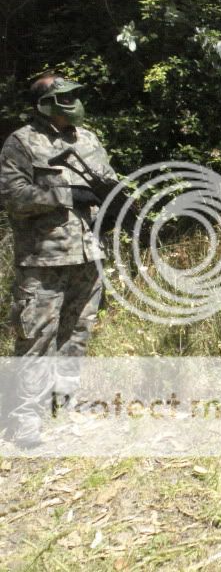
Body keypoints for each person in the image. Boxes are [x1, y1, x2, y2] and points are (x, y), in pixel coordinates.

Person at [0, 73, 119, 448]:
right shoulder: (21, 142)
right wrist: (66, 196)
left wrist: (114, 202)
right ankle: (26, 421)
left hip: (88, 253)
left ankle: (61, 407)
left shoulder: (89, 139)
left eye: (76, 97)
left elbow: (107, 182)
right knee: (36, 339)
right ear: (45, 105)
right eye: (66, 98)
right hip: (43, 259)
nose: (75, 104)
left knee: (76, 334)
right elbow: (14, 197)